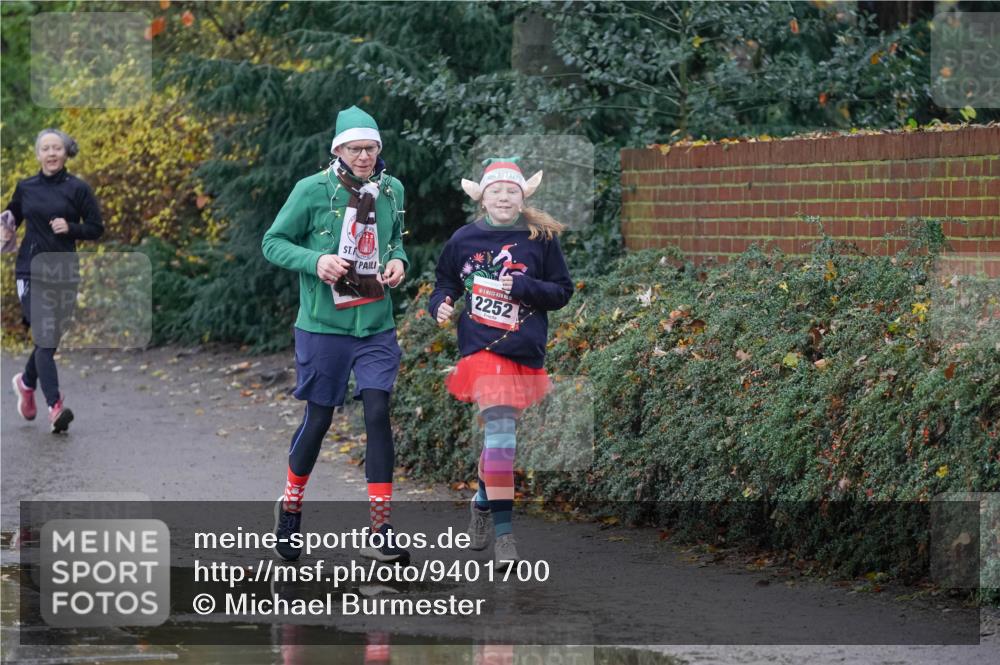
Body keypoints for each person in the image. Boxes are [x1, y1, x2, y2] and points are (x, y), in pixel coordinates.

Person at [262, 106, 410, 564]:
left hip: (375, 325)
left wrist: (399, 262)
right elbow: (273, 242)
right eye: (355, 148)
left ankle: (380, 528)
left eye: (371, 148)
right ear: (338, 151)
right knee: (320, 418)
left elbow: (396, 241)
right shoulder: (311, 190)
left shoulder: (391, 189)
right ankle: (289, 511)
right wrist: (315, 261)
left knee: (378, 412)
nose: (365, 156)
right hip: (324, 326)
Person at [429, 157, 573, 569]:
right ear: (483, 198)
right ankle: (505, 538)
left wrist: (524, 286)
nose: (504, 197)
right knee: (503, 437)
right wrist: (440, 305)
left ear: (523, 195)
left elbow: (563, 291)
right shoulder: (463, 239)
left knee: (501, 444)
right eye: (496, 191)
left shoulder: (540, 238)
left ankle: (481, 500)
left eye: (512, 190)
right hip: (480, 351)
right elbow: (445, 283)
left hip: (523, 350)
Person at [3, 129, 103, 433]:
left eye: (56, 148)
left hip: (63, 271)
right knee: (45, 337)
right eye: (45, 148)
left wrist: (71, 227)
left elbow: (96, 228)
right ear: (38, 155)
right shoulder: (26, 187)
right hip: (30, 271)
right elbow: (10, 219)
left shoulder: (78, 189)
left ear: (65, 153)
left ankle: (26, 382)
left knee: (50, 340)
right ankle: (55, 406)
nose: (50, 153)